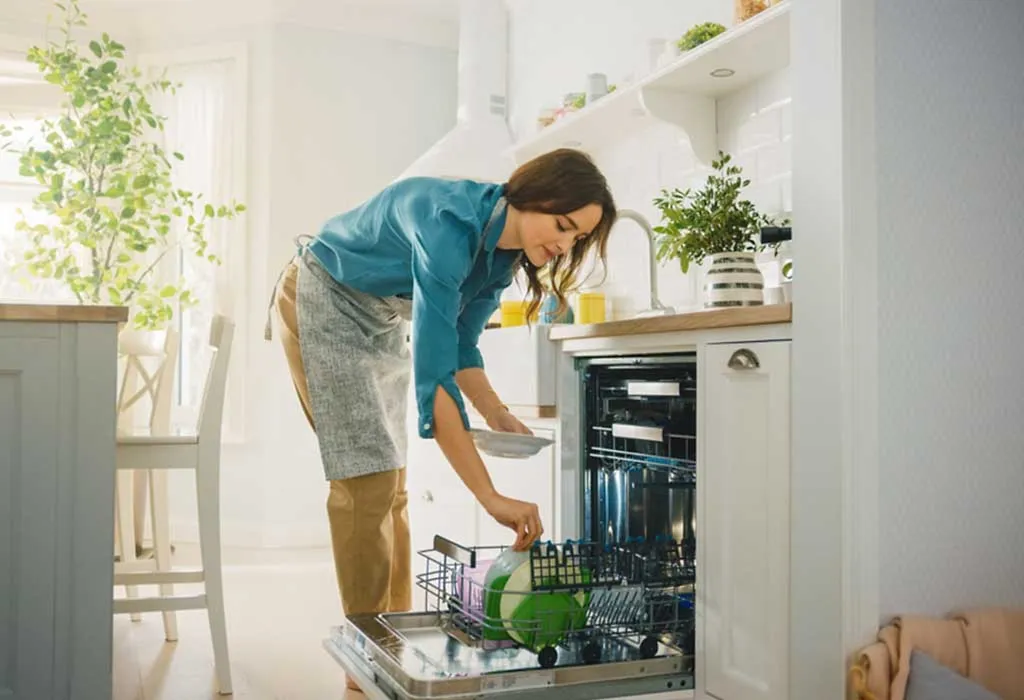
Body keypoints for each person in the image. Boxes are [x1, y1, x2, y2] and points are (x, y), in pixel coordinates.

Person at [266, 148, 615, 686]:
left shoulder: (504, 256)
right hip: (324, 295)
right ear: (532, 194)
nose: (565, 245)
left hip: (377, 315)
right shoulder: (447, 225)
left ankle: (390, 645)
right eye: (564, 226)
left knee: (393, 484)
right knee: (366, 481)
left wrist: (496, 412)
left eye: (577, 239)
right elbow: (436, 382)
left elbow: (460, 347)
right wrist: (491, 496)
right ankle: (364, 669)